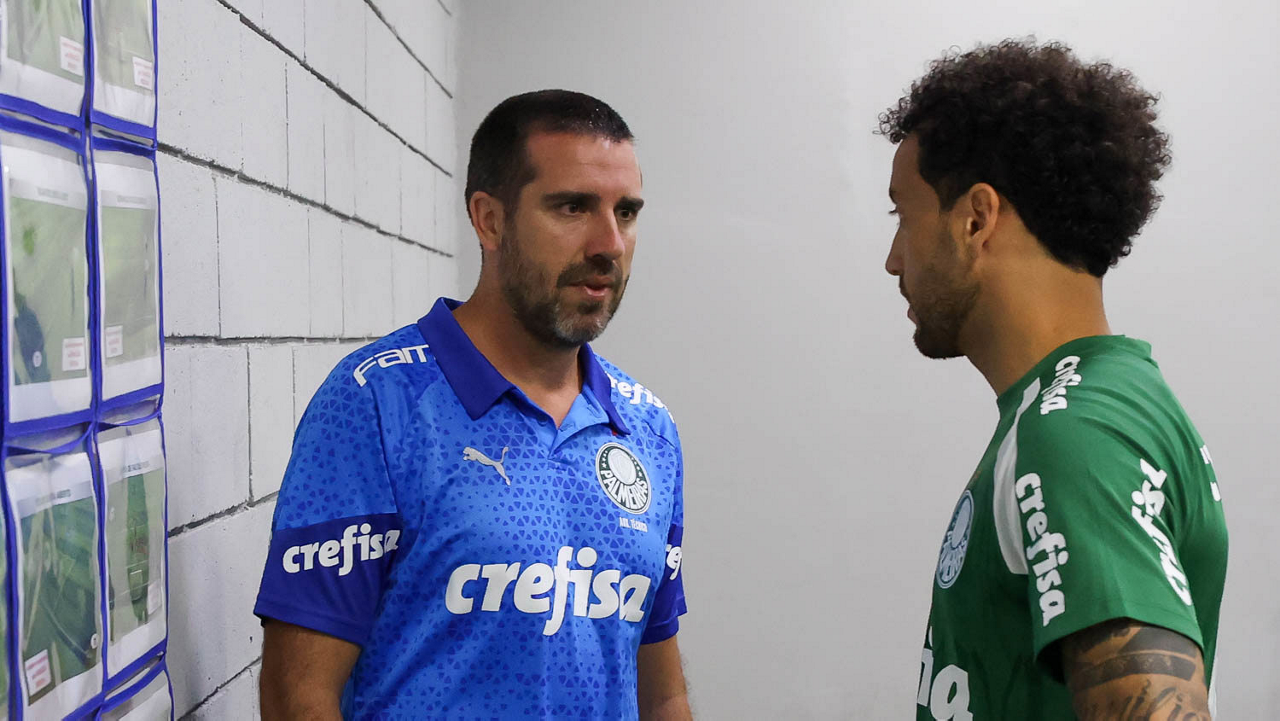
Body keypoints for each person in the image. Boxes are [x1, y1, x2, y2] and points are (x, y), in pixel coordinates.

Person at [254, 90, 690, 720]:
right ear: (489, 220)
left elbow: (663, 694)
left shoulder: (648, 430)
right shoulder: (376, 404)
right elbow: (298, 694)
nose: (610, 243)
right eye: (572, 207)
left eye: (626, 212)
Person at [880, 40, 1226, 720]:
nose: (894, 259)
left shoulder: (1075, 433)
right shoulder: (1092, 406)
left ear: (975, 219)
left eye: (903, 216)